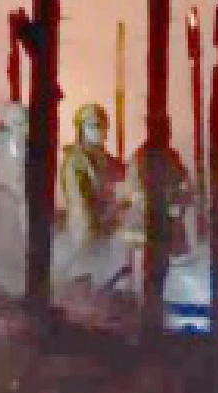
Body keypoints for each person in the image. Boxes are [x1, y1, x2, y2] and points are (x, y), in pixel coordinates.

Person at [126, 122, 193, 329]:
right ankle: (144, 316)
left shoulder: (172, 156)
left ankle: (162, 313)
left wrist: (180, 202)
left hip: (168, 225)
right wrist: (163, 204)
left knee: (166, 271)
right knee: (145, 274)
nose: (166, 135)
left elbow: (185, 183)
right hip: (144, 228)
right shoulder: (140, 158)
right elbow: (137, 193)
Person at [58, 102, 129, 295]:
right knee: (90, 275)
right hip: (87, 228)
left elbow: (125, 183)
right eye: (93, 125)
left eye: (101, 125)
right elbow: (78, 200)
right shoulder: (75, 162)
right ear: (81, 129)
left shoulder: (108, 160)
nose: (98, 130)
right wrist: (93, 224)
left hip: (110, 226)